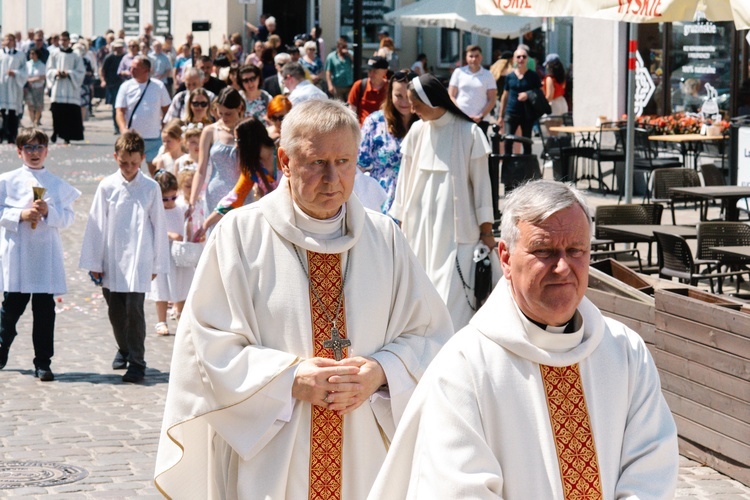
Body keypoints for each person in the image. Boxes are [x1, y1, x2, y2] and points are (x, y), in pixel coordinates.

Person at [154, 98, 453, 498]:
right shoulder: (241, 236)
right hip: (272, 456)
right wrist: (289, 379)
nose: (332, 179)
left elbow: (431, 336)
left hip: (365, 455)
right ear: (285, 160)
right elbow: (205, 346)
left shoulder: (386, 239)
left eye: (344, 161)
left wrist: (382, 372)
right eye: (316, 163)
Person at [370, 180, 680, 499]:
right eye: (544, 251)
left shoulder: (625, 351)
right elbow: (459, 489)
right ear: (505, 257)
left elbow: (651, 464)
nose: (562, 267)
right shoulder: (465, 367)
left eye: (575, 251)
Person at [390, 74, 497, 330]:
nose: (412, 109)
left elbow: (482, 186)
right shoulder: (417, 131)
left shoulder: (468, 132)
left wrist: (486, 230)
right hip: (419, 229)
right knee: (419, 291)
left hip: (457, 232)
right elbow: (404, 182)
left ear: (432, 101)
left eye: (415, 103)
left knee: (454, 299)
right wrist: (401, 222)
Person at [79, 131, 169, 384]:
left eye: (133, 163)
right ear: (115, 157)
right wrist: (94, 262)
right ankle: (124, 348)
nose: (129, 168)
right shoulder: (107, 186)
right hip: (112, 257)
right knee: (116, 311)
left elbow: (159, 225)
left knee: (135, 310)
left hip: (140, 256)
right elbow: (96, 224)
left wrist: (157, 263)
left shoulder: (150, 187)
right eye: (123, 163)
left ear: (142, 158)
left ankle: (138, 363)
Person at [0, 128, 80, 382]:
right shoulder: (7, 180)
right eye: (29, 148)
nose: (34, 153)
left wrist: (48, 212)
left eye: (39, 148)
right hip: (19, 256)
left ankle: (43, 362)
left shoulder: (56, 184)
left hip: (45, 257)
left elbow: (68, 218)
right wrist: (19, 215)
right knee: (10, 309)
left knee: (44, 313)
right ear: (19, 151)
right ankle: (1, 350)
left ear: (47, 150)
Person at [195, 116, 277, 238]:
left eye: (238, 140)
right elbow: (235, 198)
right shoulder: (252, 169)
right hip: (276, 220)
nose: (236, 146)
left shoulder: (283, 155)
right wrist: (206, 224)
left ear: (250, 139)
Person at [358, 70, 418, 214]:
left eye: (409, 97)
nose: (405, 102)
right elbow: (360, 164)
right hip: (382, 201)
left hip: (416, 199)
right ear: (390, 95)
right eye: (399, 96)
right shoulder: (375, 122)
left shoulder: (426, 123)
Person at [148, 170, 195, 337]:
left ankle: (181, 314)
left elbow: (188, 226)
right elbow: (152, 230)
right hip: (162, 252)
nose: (169, 202)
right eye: (165, 199)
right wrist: (169, 235)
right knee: (161, 287)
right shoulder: (155, 211)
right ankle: (161, 321)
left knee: (181, 284)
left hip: (179, 254)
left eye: (173, 197)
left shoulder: (181, 208)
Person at [189, 87, 245, 217]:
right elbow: (201, 170)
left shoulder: (247, 129)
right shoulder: (210, 131)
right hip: (215, 194)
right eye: (221, 113)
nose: (224, 117)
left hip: (242, 193)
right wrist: (192, 201)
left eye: (229, 113)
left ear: (239, 108)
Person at [115, 56, 172, 176]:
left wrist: (164, 127)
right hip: (133, 138)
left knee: (156, 172)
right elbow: (120, 111)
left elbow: (167, 109)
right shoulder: (125, 87)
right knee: (133, 172)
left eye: (135, 68)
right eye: (131, 68)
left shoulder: (158, 86)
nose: (131, 70)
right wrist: (123, 129)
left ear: (146, 70)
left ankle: (158, 194)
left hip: (154, 138)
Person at [499, 46, 542, 156]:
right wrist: (500, 115)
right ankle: (507, 169)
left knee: (526, 142)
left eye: (524, 56)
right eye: (518, 57)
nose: (521, 59)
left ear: (527, 59)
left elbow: (540, 93)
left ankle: (527, 170)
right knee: (508, 140)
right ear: (514, 59)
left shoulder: (533, 76)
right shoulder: (510, 76)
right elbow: (505, 95)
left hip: (527, 114)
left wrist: (528, 94)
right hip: (511, 112)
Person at [46, 31, 85, 144]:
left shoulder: (75, 54)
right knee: (57, 112)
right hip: (58, 86)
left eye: (65, 40)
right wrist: (56, 72)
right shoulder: (54, 53)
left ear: (69, 41)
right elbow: (49, 69)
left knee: (69, 113)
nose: (63, 42)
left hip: (70, 88)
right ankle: (55, 131)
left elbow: (81, 71)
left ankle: (67, 135)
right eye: (61, 40)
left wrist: (69, 73)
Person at [448, 45, 497, 133]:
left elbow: (492, 99)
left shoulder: (488, 75)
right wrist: (460, 114)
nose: (474, 59)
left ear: (481, 57)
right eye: (471, 56)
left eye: (476, 56)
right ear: (466, 58)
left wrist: (481, 116)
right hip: (461, 119)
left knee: (479, 146)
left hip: (481, 120)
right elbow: (451, 95)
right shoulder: (458, 72)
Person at [0, 34, 28, 144]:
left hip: (14, 87)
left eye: (11, 39)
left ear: (14, 42)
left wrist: (15, 73)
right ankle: (2, 135)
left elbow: (25, 72)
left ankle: (12, 135)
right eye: (7, 39)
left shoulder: (20, 55)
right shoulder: (1, 54)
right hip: (2, 87)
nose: (8, 41)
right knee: (2, 112)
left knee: (12, 113)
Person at [347, 56, 389, 125]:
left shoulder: (390, 88)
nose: (371, 74)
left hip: (385, 131)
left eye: (375, 71)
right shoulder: (359, 85)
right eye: (369, 71)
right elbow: (351, 110)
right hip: (363, 131)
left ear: (385, 72)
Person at [100, 39, 125, 134]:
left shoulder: (124, 57)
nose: (118, 49)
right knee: (116, 106)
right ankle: (116, 126)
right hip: (112, 85)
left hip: (123, 83)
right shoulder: (109, 57)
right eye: (117, 47)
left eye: (120, 47)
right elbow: (102, 70)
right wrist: (103, 80)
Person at [24, 48, 46, 127]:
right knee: (30, 104)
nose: (31, 55)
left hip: (38, 87)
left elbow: (43, 76)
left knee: (38, 105)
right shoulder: (27, 64)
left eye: (33, 54)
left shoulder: (41, 65)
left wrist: (33, 80)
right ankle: (32, 120)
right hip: (29, 88)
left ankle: (37, 120)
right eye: (30, 54)